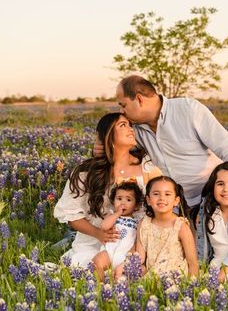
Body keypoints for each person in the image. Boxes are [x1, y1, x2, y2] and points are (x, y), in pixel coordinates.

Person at [95, 75, 228, 231]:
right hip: (173, 203)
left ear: (140, 99)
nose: (121, 111)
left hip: (212, 191)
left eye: (123, 105)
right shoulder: (135, 128)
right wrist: (100, 144)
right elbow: (118, 144)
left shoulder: (188, 109)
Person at [54, 112, 160, 267]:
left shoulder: (147, 167)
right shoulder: (88, 172)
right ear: (108, 135)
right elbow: (72, 215)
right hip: (96, 242)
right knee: (88, 268)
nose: (131, 129)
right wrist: (98, 234)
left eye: (130, 125)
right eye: (123, 125)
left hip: (138, 243)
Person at [135, 176, 199, 276]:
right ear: (148, 200)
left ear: (176, 201)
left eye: (167, 194)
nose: (162, 198)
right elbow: (139, 259)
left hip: (177, 280)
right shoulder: (144, 224)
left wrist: (192, 285)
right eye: (156, 194)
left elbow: (193, 263)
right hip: (151, 279)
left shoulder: (181, 226)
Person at [92, 180, 142, 281]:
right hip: (109, 251)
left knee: (122, 277)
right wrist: (117, 214)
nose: (123, 202)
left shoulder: (138, 222)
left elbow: (138, 239)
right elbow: (104, 226)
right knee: (96, 261)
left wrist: (132, 252)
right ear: (113, 201)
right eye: (119, 199)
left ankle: (115, 287)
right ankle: (99, 284)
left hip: (125, 254)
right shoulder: (113, 216)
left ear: (136, 206)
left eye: (128, 200)